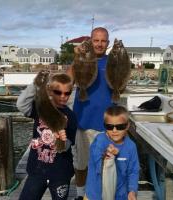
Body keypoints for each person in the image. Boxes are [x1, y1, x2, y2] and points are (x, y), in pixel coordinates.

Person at [67, 27, 114, 199]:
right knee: (81, 164)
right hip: (83, 121)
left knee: (105, 165)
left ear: (108, 44)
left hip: (108, 124)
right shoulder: (82, 59)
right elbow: (67, 81)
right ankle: (80, 195)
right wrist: (76, 58)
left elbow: (120, 85)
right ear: (91, 41)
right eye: (96, 40)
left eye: (103, 41)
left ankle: (100, 195)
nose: (99, 44)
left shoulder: (113, 62)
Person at [16, 72, 77, 200]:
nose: (63, 97)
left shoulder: (71, 116)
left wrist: (62, 140)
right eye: (58, 92)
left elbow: (68, 145)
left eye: (67, 93)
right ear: (50, 91)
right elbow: (21, 105)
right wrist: (35, 85)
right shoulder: (41, 107)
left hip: (61, 172)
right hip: (37, 170)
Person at [85, 105, 139, 200]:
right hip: (95, 195)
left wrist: (132, 190)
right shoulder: (99, 141)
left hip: (121, 195)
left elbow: (133, 171)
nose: (114, 130)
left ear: (127, 125)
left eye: (120, 126)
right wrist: (107, 154)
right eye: (109, 127)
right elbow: (97, 165)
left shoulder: (131, 146)